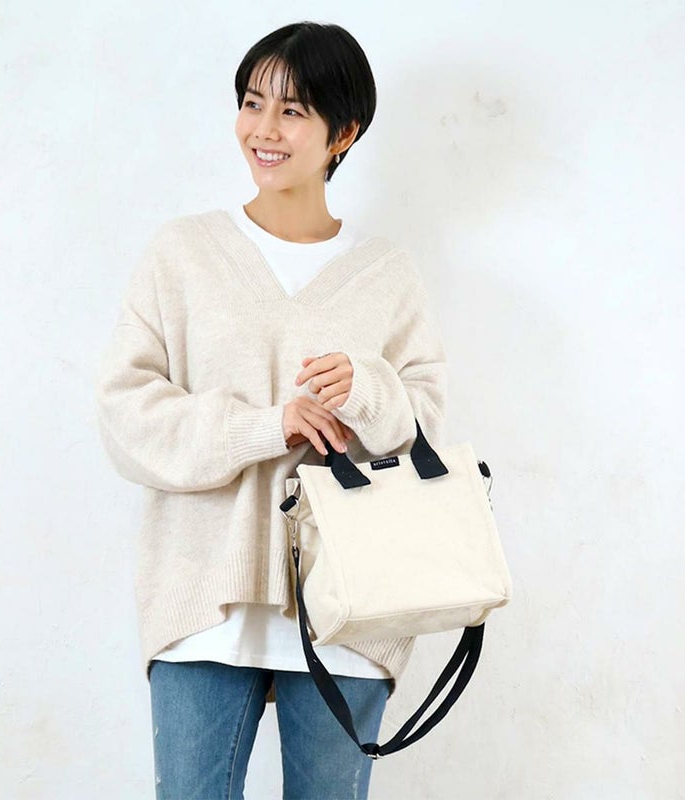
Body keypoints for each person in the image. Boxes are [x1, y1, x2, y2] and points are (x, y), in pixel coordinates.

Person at [94, 20, 448, 800]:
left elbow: (426, 426)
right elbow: (126, 414)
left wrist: (366, 388)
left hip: (350, 609)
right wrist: (266, 425)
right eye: (253, 103)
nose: (263, 129)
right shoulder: (182, 254)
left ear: (343, 133)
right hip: (203, 604)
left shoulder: (386, 273)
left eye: (292, 111)